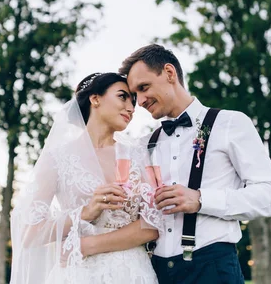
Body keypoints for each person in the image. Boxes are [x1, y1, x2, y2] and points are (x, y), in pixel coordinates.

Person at [119, 44, 271, 284]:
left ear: (169, 73)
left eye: (143, 88)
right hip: (156, 272)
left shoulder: (230, 123)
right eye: (135, 94)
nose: (140, 101)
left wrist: (200, 199)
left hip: (212, 269)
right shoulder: (145, 144)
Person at [10, 72, 163, 284]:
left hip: (132, 273)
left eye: (133, 101)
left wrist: (88, 245)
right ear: (95, 98)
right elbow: (29, 234)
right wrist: (85, 212)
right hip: (77, 274)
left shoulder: (137, 154)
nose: (131, 108)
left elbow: (153, 226)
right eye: (123, 96)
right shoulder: (58, 158)